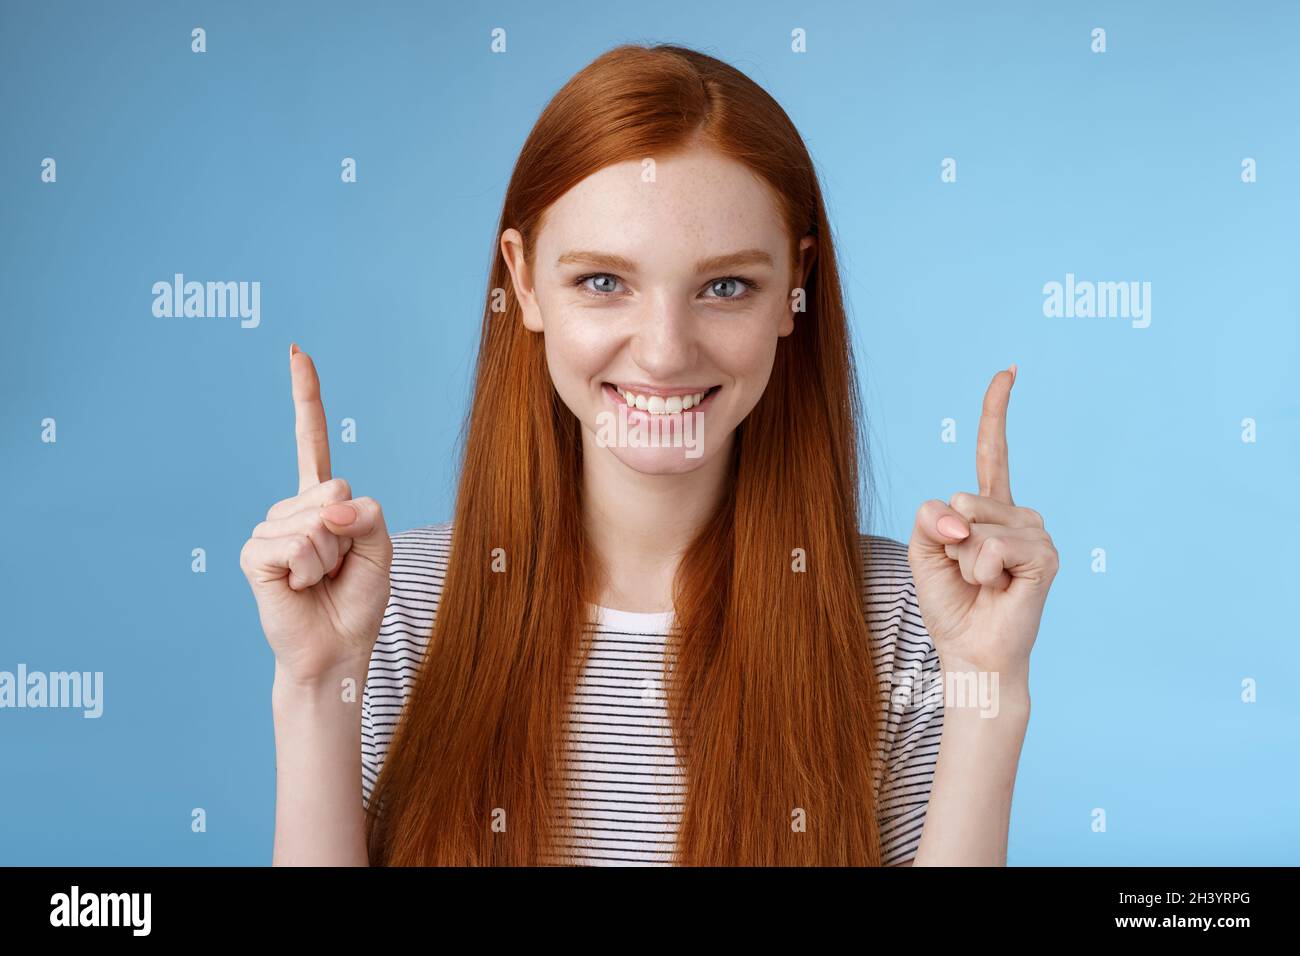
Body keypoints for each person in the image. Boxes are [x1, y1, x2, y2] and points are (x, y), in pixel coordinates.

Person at [239, 42, 1059, 866]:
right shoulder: (391, 609)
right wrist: (315, 683)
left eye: (726, 286)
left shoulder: (911, 620)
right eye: (603, 282)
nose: (665, 354)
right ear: (523, 283)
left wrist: (990, 691)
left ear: (793, 291)